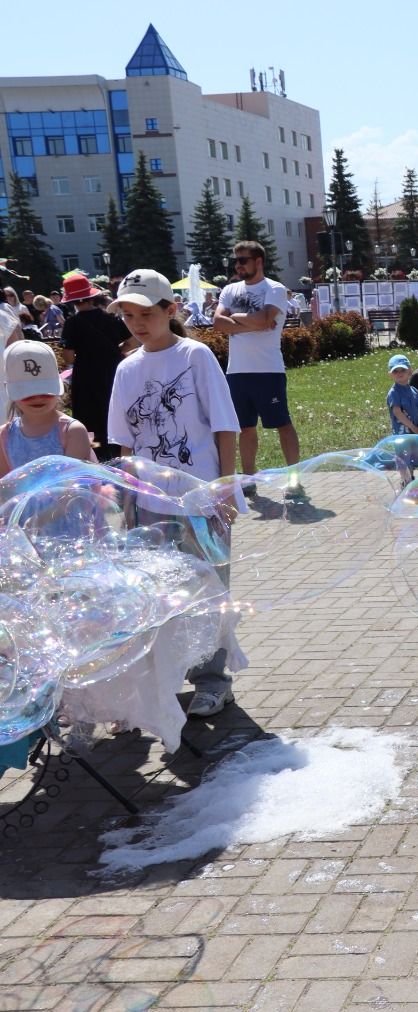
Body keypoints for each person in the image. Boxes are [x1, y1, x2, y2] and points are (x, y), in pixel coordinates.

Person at [105, 269, 242, 719]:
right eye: (128, 315)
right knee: (161, 597)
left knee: (207, 593)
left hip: (201, 501)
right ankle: (169, 678)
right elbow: (124, 443)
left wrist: (225, 489)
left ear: (171, 310)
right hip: (150, 505)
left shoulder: (195, 356)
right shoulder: (127, 368)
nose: (137, 323)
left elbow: (224, 426)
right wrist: (128, 499)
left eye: (146, 313)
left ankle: (212, 680)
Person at [214, 240, 299, 484]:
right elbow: (218, 322)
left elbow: (265, 321)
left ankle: (294, 477)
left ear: (258, 261)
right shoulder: (230, 291)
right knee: (245, 428)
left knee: (282, 423)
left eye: (243, 260)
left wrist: (236, 319)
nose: (238, 265)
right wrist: (252, 321)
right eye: (236, 260)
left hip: (268, 370)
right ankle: (249, 477)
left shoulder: (275, 289)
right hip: (237, 372)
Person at [58, 274, 135, 461]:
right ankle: (119, 453)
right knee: (114, 412)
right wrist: (118, 352)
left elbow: (68, 355)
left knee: (89, 418)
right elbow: (132, 340)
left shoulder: (72, 323)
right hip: (112, 372)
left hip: (86, 377)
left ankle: (95, 455)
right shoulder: (109, 317)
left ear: (72, 301)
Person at [0, 339, 94, 476]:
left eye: (45, 391)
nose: (37, 398)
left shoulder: (72, 432)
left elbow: (72, 485)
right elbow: (5, 487)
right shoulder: (4, 436)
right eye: (27, 394)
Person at [385, 353, 418, 436]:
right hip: (402, 434)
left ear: (410, 371)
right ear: (390, 374)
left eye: (403, 370)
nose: (399, 373)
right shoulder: (394, 392)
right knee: (404, 449)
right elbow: (397, 412)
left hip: (416, 432)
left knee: (416, 449)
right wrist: (413, 427)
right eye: (395, 371)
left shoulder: (414, 391)